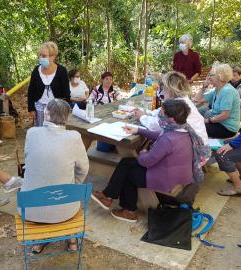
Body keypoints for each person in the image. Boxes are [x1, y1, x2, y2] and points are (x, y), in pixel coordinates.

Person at [91, 99, 197, 222]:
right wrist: (138, 130)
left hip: (166, 179)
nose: (159, 115)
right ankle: (108, 197)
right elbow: (160, 135)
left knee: (129, 173)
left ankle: (128, 210)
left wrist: (143, 153)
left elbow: (146, 162)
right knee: (126, 163)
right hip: (177, 174)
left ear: (172, 119)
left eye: (162, 113)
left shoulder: (168, 139)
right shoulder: (184, 130)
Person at [22, 99, 89, 253]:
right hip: (65, 208)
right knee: (66, 198)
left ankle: (40, 239)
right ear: (67, 118)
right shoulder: (74, 137)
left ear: (46, 114)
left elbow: (29, 159)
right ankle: (72, 239)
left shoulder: (32, 133)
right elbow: (83, 169)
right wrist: (73, 187)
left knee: (42, 190)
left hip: (30, 208)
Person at [135, 71, 208, 144]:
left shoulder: (178, 106)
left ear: (170, 90)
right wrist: (148, 113)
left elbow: (157, 125)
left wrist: (142, 117)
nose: (162, 92)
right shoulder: (182, 100)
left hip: (194, 150)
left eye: (163, 88)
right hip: (195, 146)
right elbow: (161, 113)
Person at [27, 41, 70, 126]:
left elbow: (66, 92)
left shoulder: (61, 71)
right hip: (39, 108)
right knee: (40, 133)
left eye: (44, 56)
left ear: (52, 57)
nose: (41, 58)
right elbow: (31, 91)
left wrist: (65, 110)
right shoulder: (36, 70)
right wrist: (31, 109)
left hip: (56, 109)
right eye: (40, 55)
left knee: (55, 133)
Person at [194, 63, 240, 138]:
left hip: (227, 128)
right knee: (195, 125)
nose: (208, 77)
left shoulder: (227, 91)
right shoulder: (217, 89)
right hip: (219, 123)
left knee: (196, 128)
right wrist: (204, 87)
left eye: (211, 75)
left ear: (219, 77)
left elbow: (224, 115)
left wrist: (207, 121)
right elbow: (197, 100)